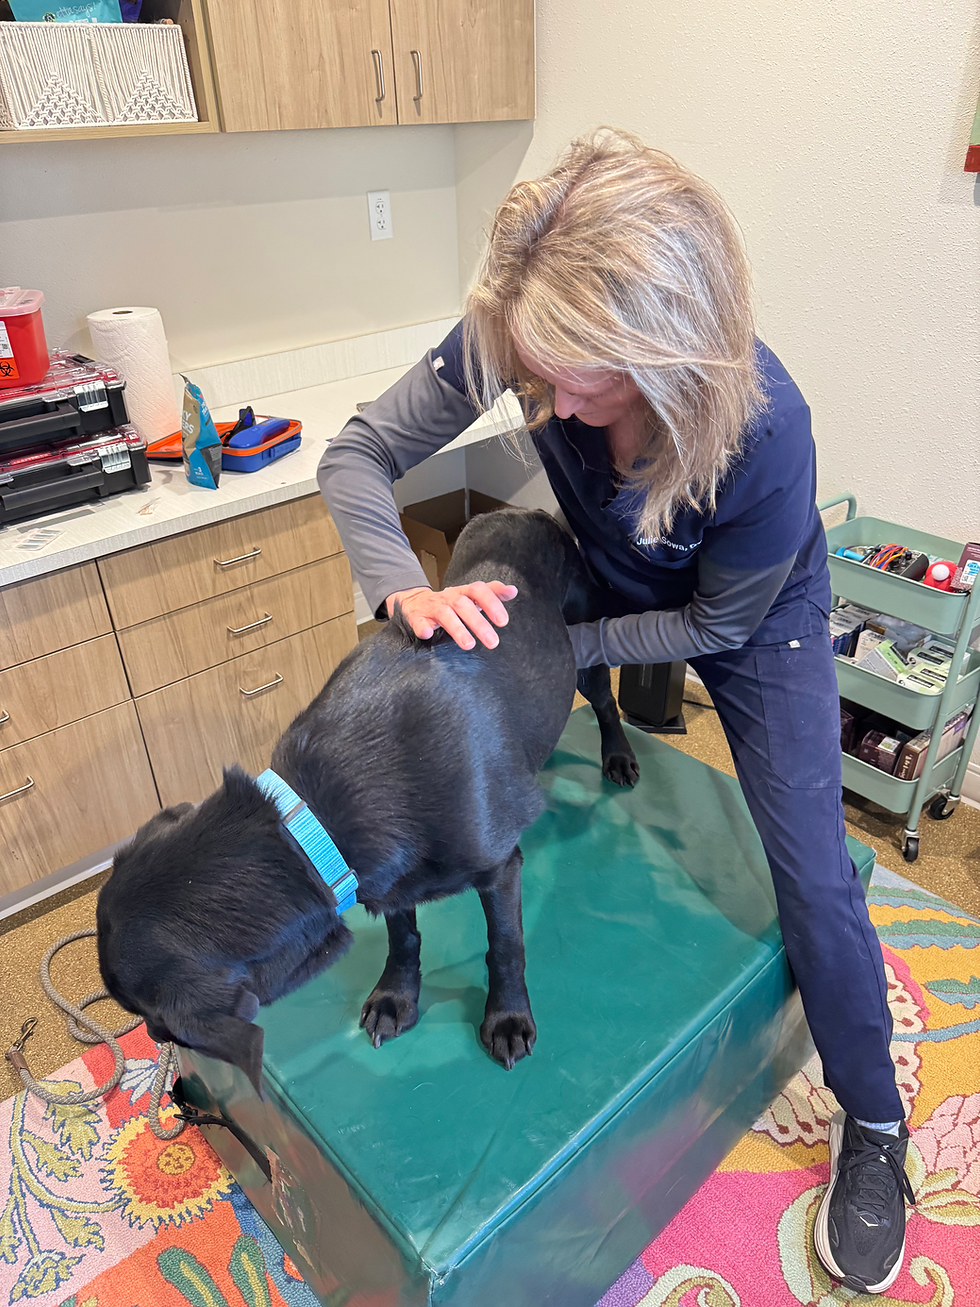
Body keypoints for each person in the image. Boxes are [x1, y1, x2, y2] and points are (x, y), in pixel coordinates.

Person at [318, 129, 914, 1295]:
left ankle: (877, 1119)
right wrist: (404, 588)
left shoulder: (763, 428)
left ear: (665, 342)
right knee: (467, 628)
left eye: (577, 378)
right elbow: (356, 455)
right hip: (597, 558)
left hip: (748, 615)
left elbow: (707, 627)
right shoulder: (523, 331)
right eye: (531, 369)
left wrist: (563, 646)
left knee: (806, 864)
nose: (544, 398)